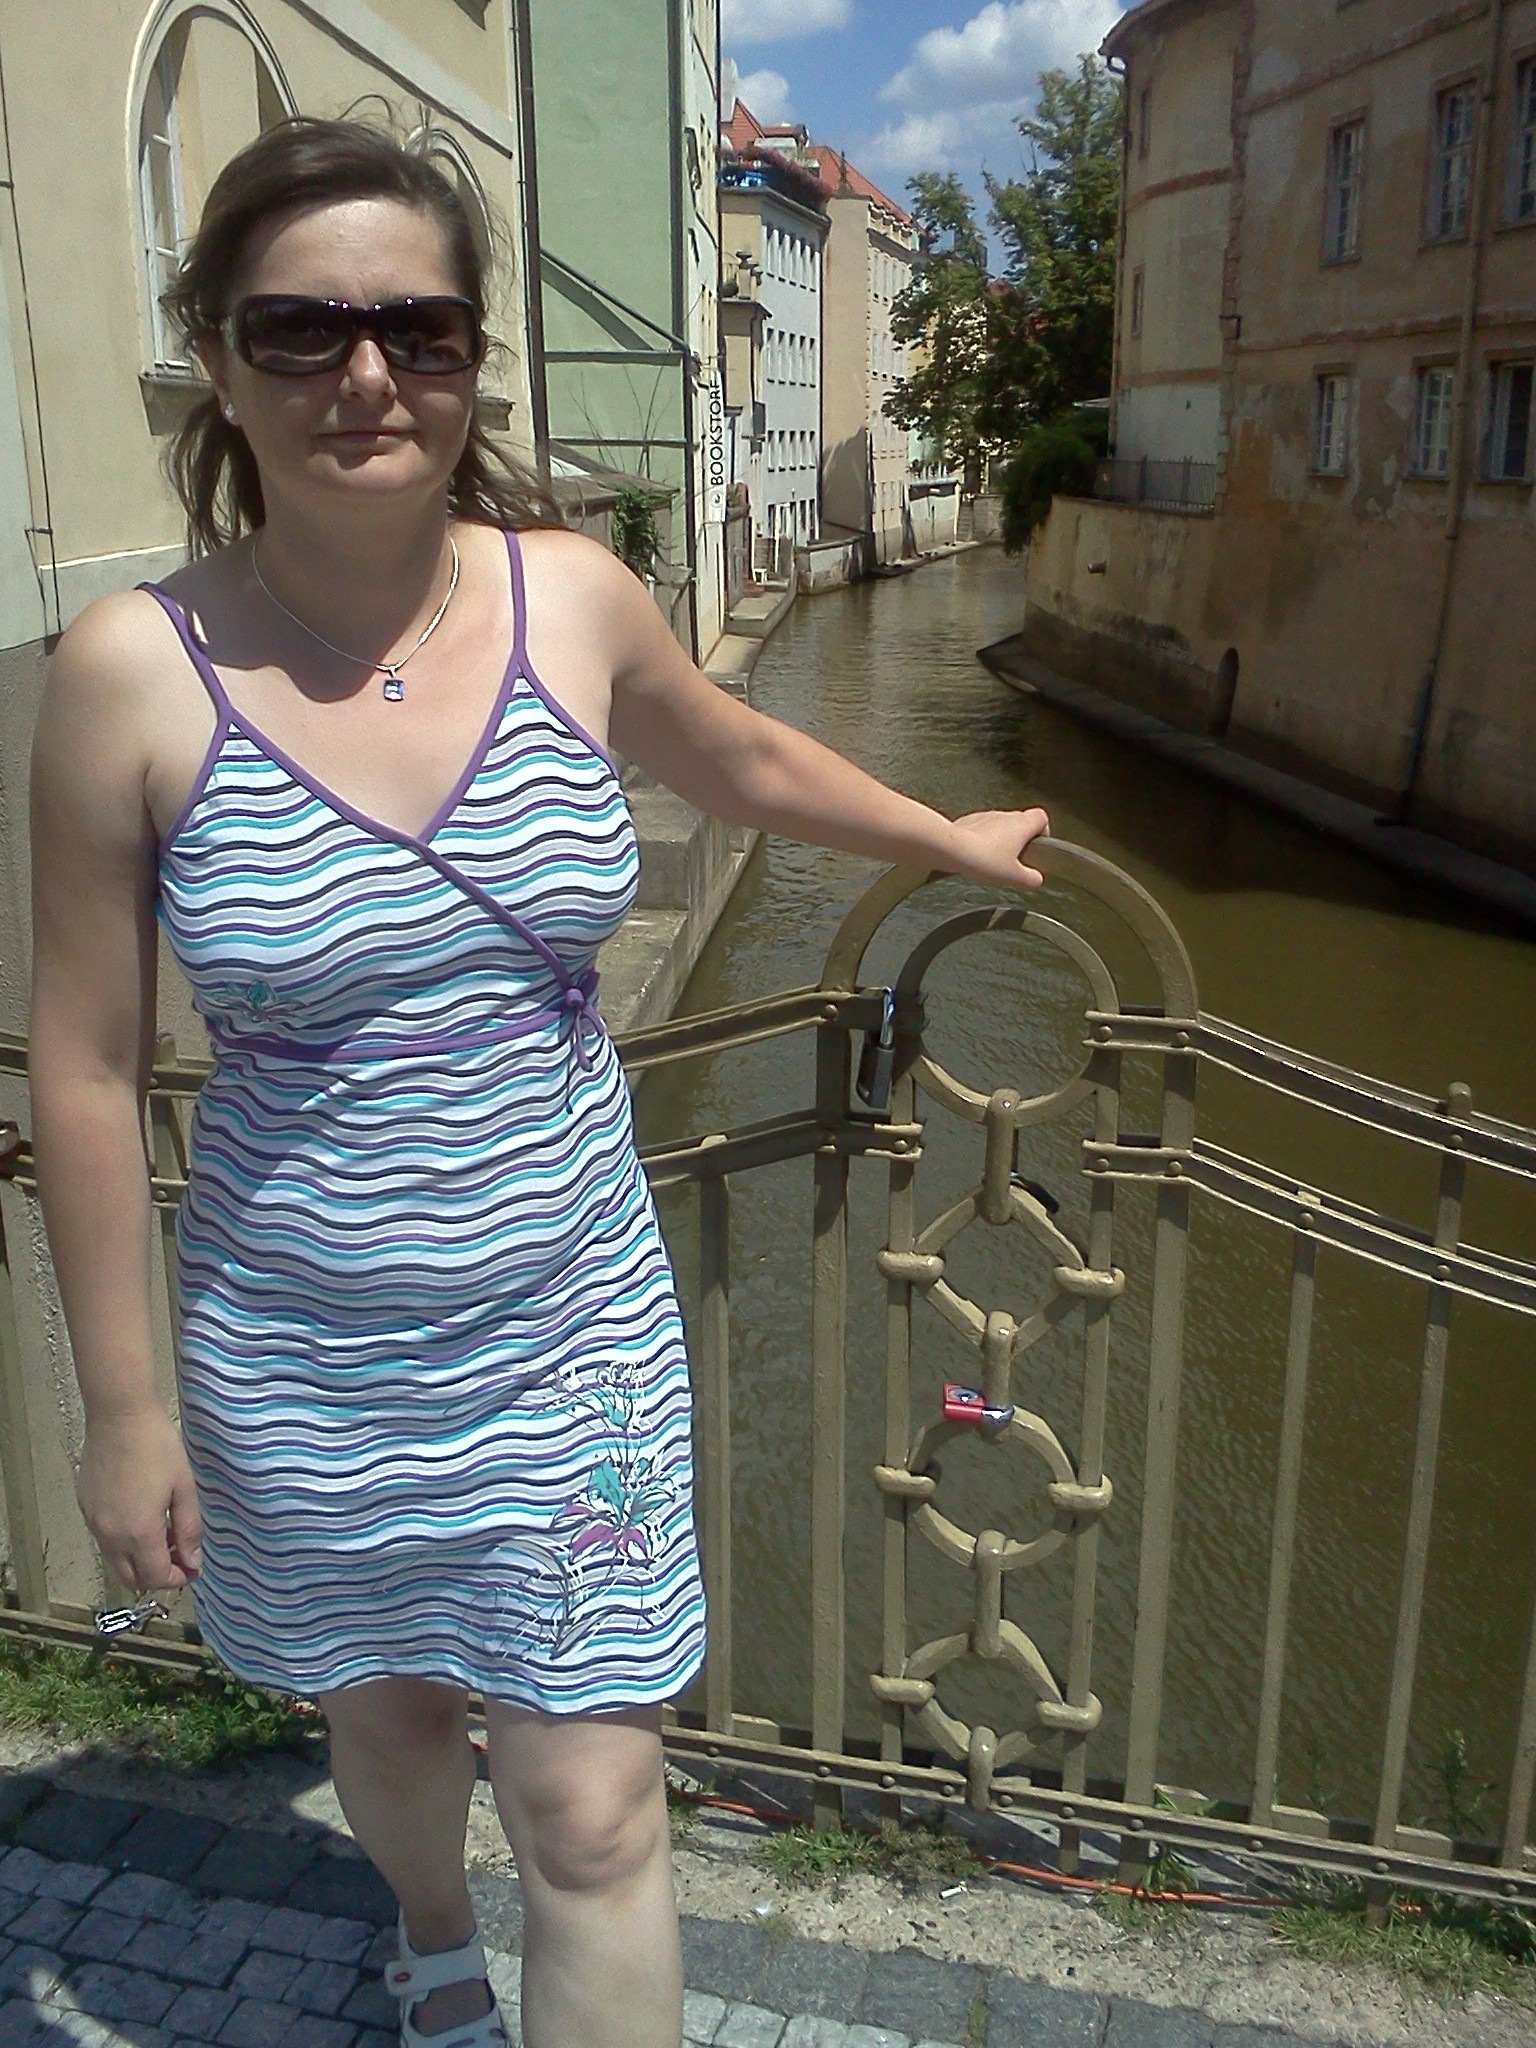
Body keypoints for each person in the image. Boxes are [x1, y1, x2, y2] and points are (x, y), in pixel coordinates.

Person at [27, 118, 1049, 2048]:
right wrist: (126, 1413)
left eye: (417, 328)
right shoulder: (130, 673)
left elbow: (737, 755)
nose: (366, 374)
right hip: (300, 1350)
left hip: (565, 1336)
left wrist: (944, 838)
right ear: (218, 359)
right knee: (395, 1722)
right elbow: (83, 1068)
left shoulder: (572, 596)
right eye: (303, 329)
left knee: (593, 1812)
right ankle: (429, 1930)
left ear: (472, 359)